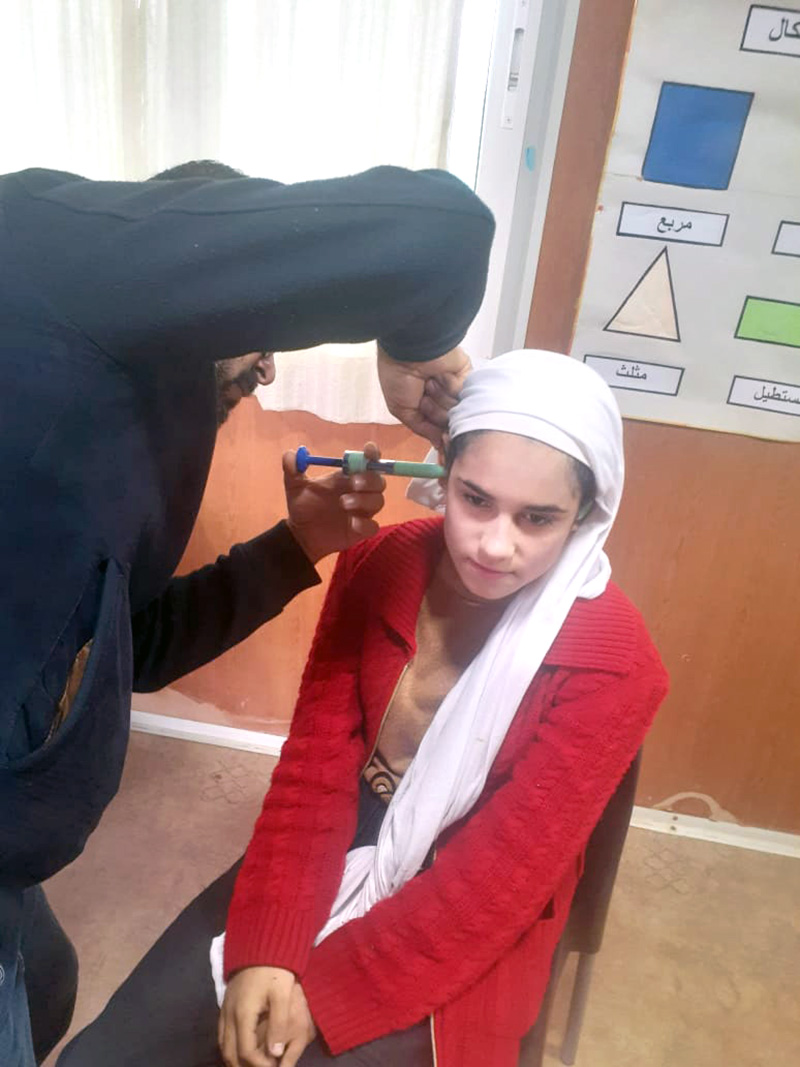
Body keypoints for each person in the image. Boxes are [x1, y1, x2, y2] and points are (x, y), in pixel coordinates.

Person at [0, 158, 495, 1067]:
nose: (267, 367)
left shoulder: (109, 419)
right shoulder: (53, 251)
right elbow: (444, 230)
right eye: (251, 327)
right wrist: (413, 344)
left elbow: (124, 651)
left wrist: (290, 549)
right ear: (189, 280)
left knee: (43, 974)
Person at [58, 350, 669, 1067]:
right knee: (109, 1055)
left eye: (538, 518)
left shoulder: (617, 663)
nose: (495, 544)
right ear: (445, 477)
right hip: (342, 835)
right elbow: (315, 773)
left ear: (586, 514)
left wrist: (327, 990)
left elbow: (496, 883)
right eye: (475, 499)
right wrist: (269, 948)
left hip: (464, 898)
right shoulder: (380, 563)